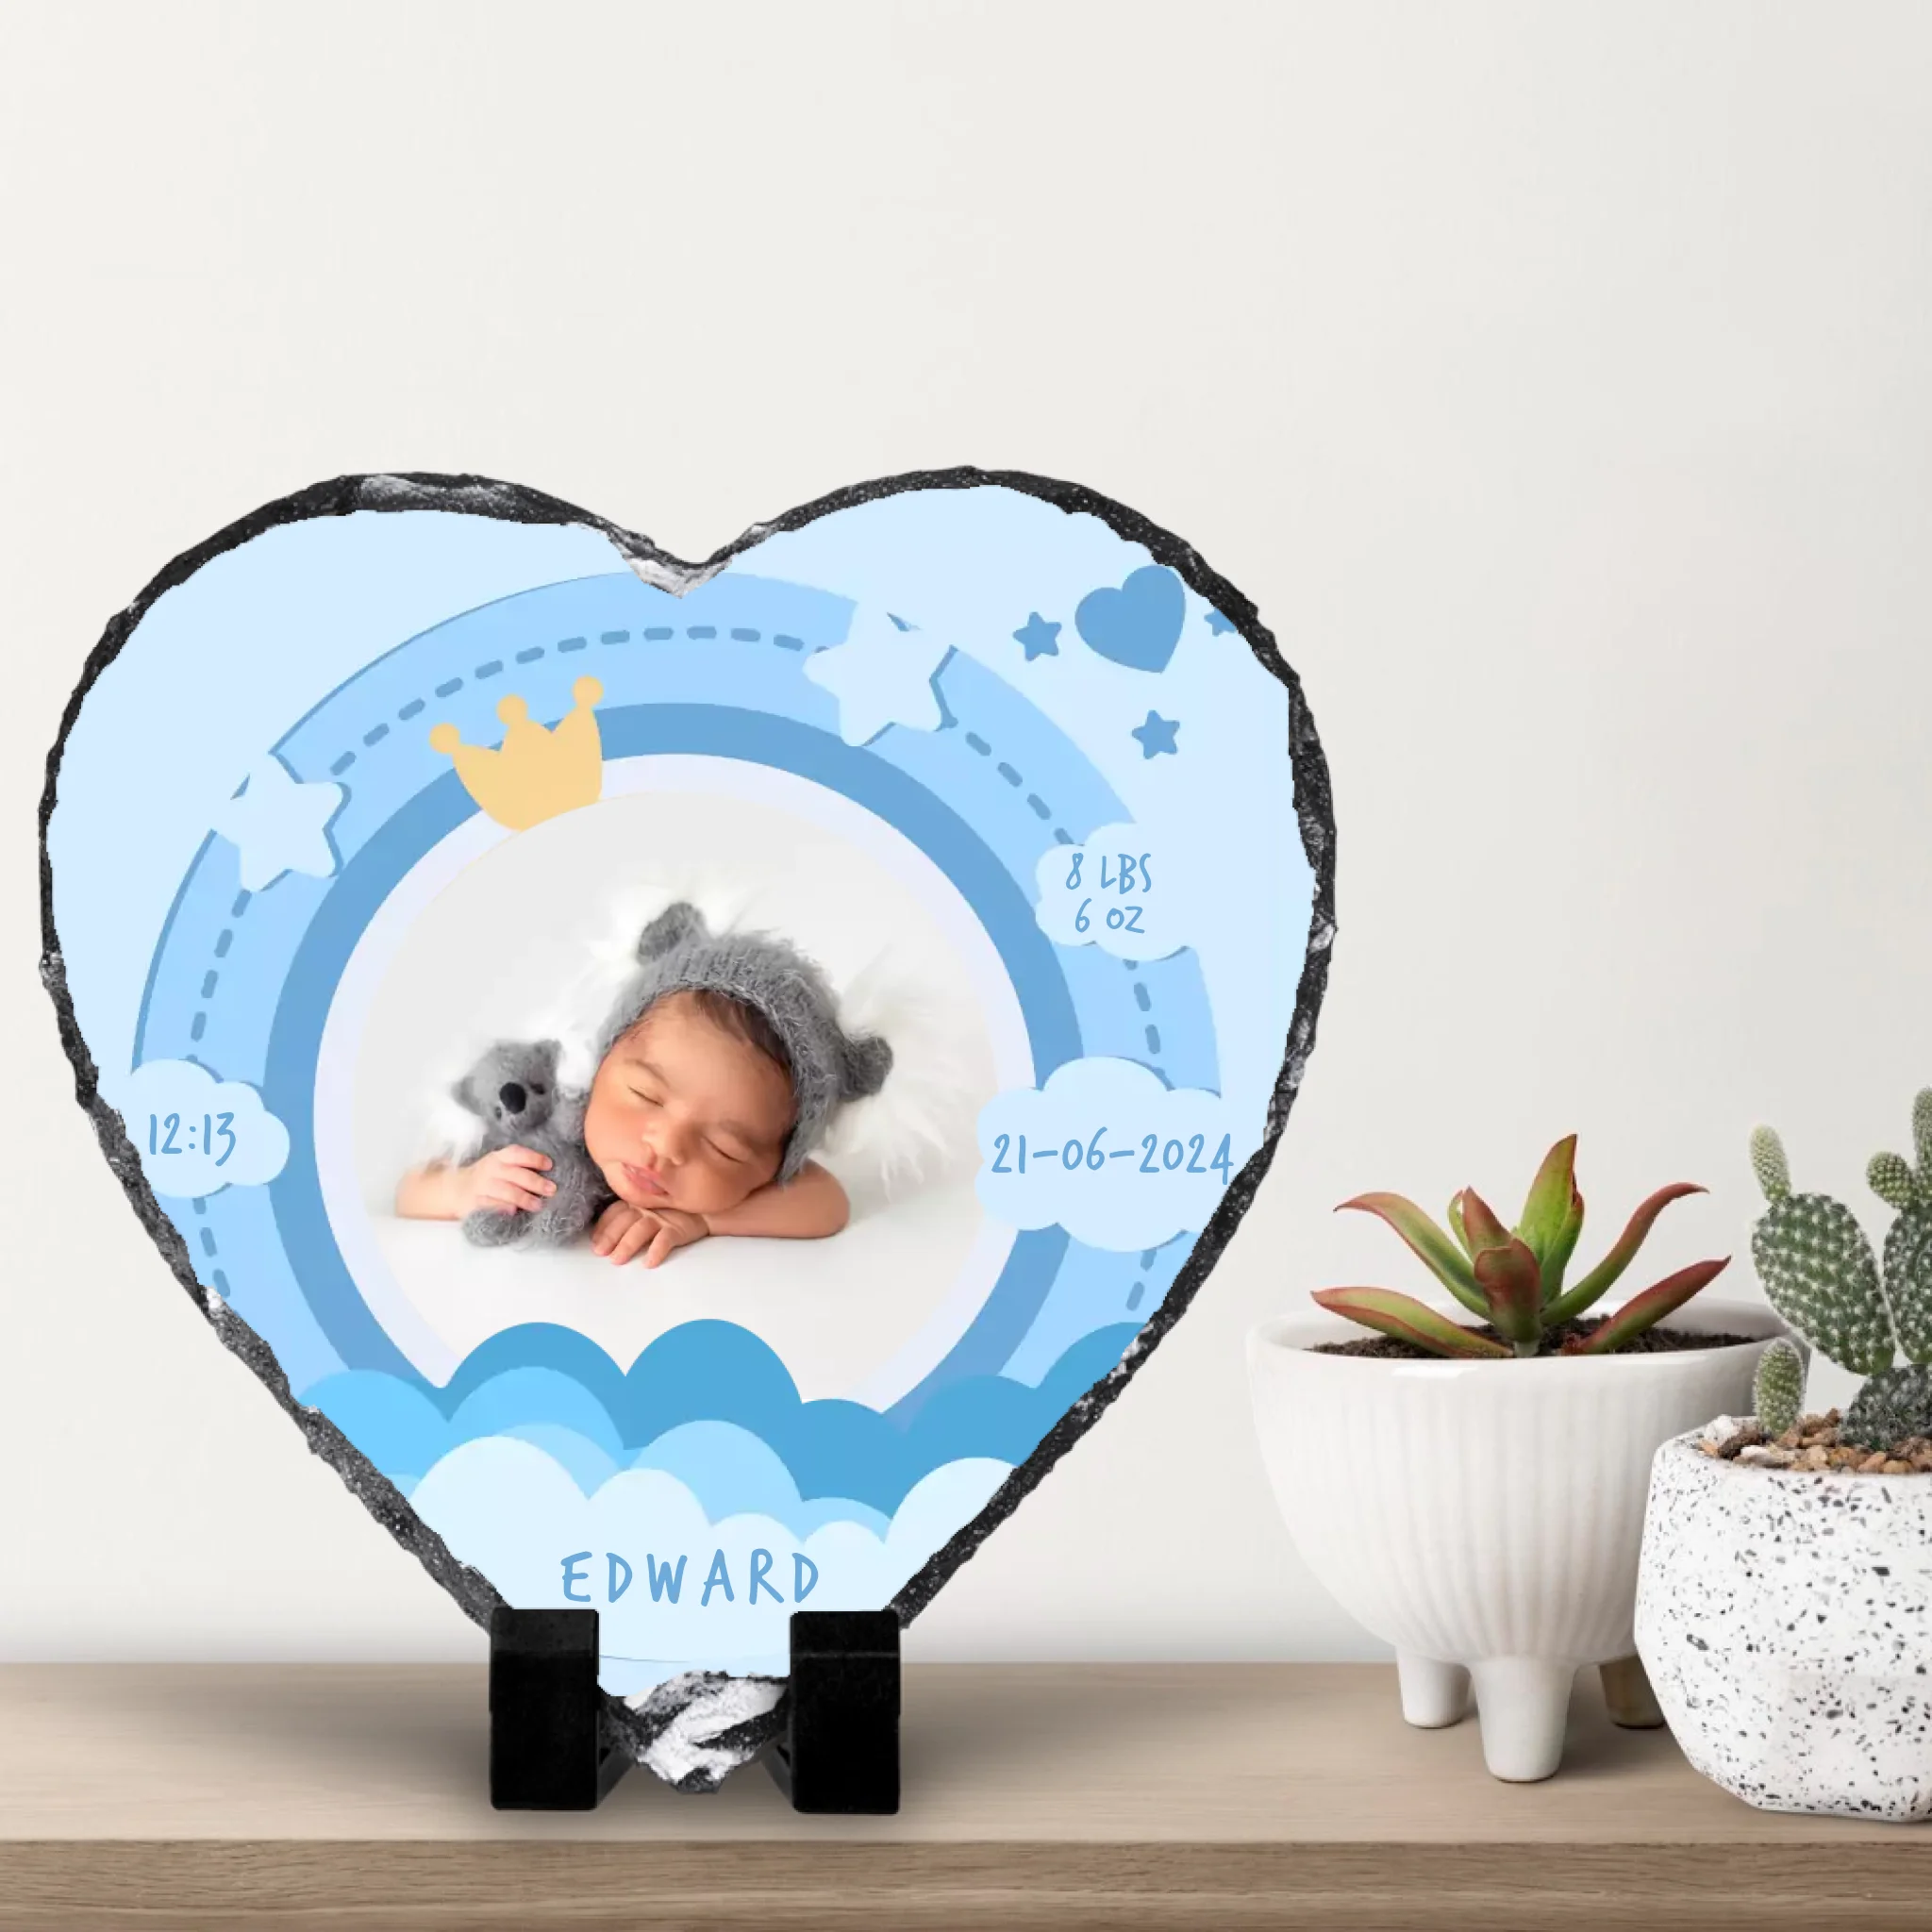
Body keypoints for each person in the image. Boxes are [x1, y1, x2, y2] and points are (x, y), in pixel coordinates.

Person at [394, 902, 892, 1268]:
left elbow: (828, 1204)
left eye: (724, 1148)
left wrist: (702, 1220)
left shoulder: (746, 1189)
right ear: (603, 1063)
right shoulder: (547, 1122)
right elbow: (410, 1191)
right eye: (645, 1095)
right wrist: (463, 1189)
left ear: (772, 1167)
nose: (666, 1146)